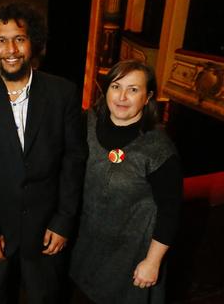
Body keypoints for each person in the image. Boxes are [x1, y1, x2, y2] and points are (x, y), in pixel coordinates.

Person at [0, 1, 88, 303]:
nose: (11, 49)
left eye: (19, 38)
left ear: (33, 43)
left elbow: (73, 161)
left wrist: (63, 221)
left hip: (47, 231)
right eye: (1, 40)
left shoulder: (63, 93)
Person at [69, 60, 183, 303]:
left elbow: (170, 211)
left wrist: (152, 262)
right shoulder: (86, 123)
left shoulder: (159, 148)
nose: (122, 97)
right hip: (86, 249)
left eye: (133, 89)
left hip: (131, 259)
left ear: (147, 96)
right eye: (116, 86)